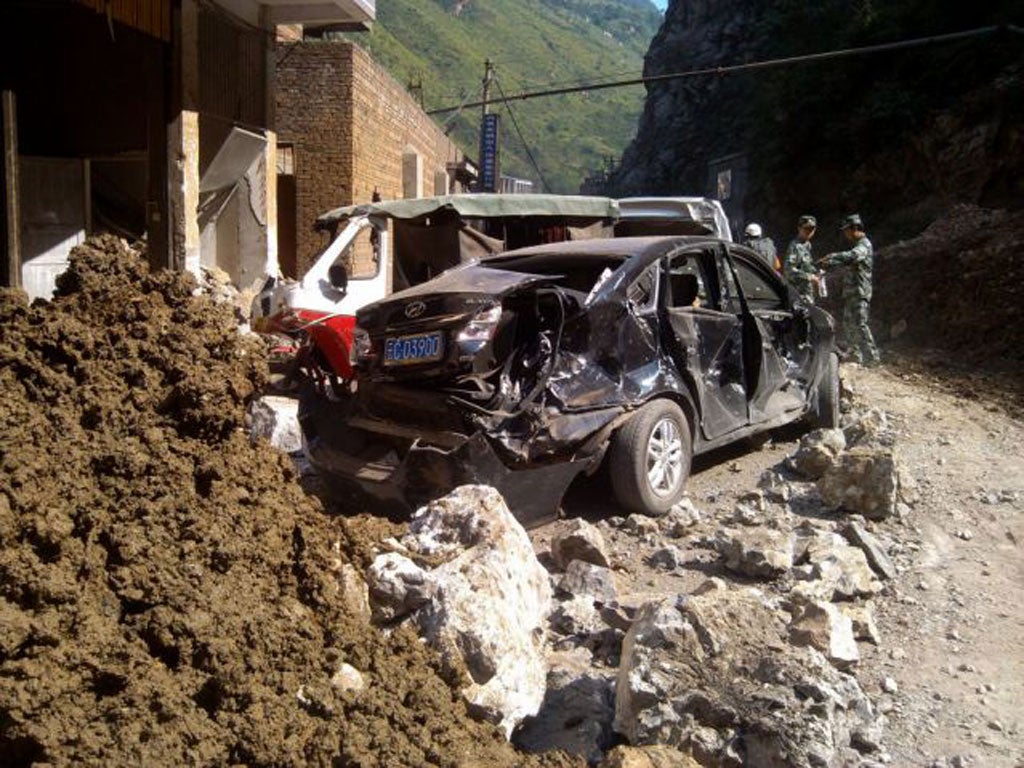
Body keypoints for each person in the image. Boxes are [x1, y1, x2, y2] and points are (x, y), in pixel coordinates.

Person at [819, 214, 880, 365]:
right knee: (848, 323)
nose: (845, 234)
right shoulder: (857, 245)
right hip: (852, 292)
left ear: (854, 229)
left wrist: (831, 257)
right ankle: (855, 354)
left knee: (860, 324)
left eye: (846, 230)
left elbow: (852, 256)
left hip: (860, 291)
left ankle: (872, 357)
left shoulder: (864, 245)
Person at [784, 215, 820, 304]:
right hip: (798, 296)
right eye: (806, 229)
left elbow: (806, 266)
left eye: (812, 229)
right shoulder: (795, 246)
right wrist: (810, 277)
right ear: (799, 228)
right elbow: (788, 271)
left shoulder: (808, 245)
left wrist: (816, 273)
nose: (809, 232)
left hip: (808, 294)